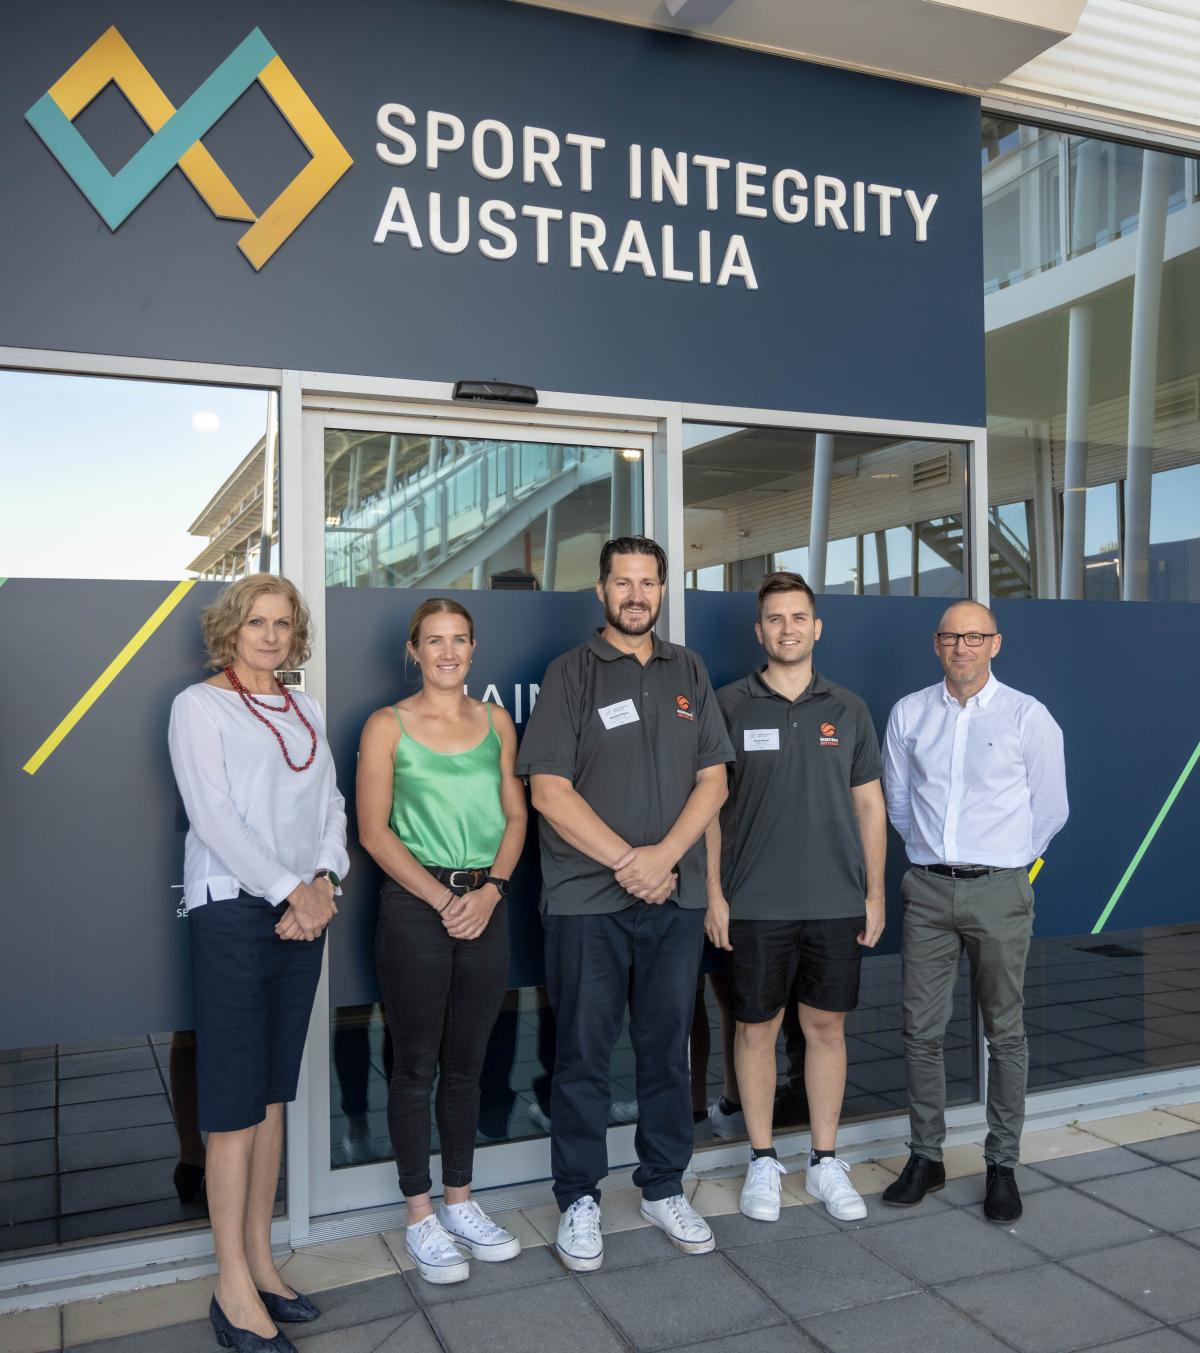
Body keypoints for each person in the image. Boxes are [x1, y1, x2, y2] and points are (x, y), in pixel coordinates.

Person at [517, 535, 733, 1271]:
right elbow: (548, 789)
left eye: (648, 582)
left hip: (673, 899)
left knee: (666, 1049)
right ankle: (579, 1195)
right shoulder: (570, 673)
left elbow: (715, 781)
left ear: (663, 591)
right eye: (623, 582)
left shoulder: (689, 670)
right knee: (581, 1054)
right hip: (587, 900)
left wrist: (664, 859)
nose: (636, 594)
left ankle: (664, 1182)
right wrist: (627, 863)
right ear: (601, 591)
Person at [169, 574, 348, 1353]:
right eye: (255, 622)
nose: (269, 635)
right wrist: (291, 891)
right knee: (235, 1102)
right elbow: (213, 816)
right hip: (235, 911)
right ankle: (230, 1283)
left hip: (302, 907)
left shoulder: (305, 708)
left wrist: (324, 881)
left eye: (281, 623)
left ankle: (263, 1262)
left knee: (274, 1093)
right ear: (230, 629)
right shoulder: (197, 706)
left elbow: (332, 806)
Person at [704, 572, 886, 1223]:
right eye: (775, 618)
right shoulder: (727, 705)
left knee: (826, 1028)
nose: (787, 628)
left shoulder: (849, 708)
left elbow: (870, 805)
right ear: (760, 631)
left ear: (816, 627)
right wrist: (714, 894)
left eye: (798, 617)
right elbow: (708, 808)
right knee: (755, 1030)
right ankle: (761, 1160)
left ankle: (824, 1159)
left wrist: (874, 893)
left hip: (835, 901)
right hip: (753, 903)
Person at [357, 598, 527, 1284]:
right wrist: (443, 899)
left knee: (468, 1064)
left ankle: (460, 1200)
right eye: (434, 640)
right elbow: (373, 831)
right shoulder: (386, 725)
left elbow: (517, 815)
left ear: (473, 648)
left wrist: (490, 892)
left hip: (486, 901)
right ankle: (420, 1214)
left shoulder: (496, 722)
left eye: (459, 639)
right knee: (415, 1063)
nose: (447, 651)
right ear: (414, 649)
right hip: (415, 905)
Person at [881, 599, 1068, 1222]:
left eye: (974, 636)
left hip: (1000, 890)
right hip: (928, 889)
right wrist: (935, 857)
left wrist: (1005, 860)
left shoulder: (1027, 716)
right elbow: (900, 802)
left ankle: (1002, 1164)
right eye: (950, 637)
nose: (961, 647)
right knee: (920, 1031)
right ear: (936, 645)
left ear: (995, 644)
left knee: (1004, 1032)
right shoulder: (909, 713)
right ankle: (926, 1156)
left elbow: (1050, 809)